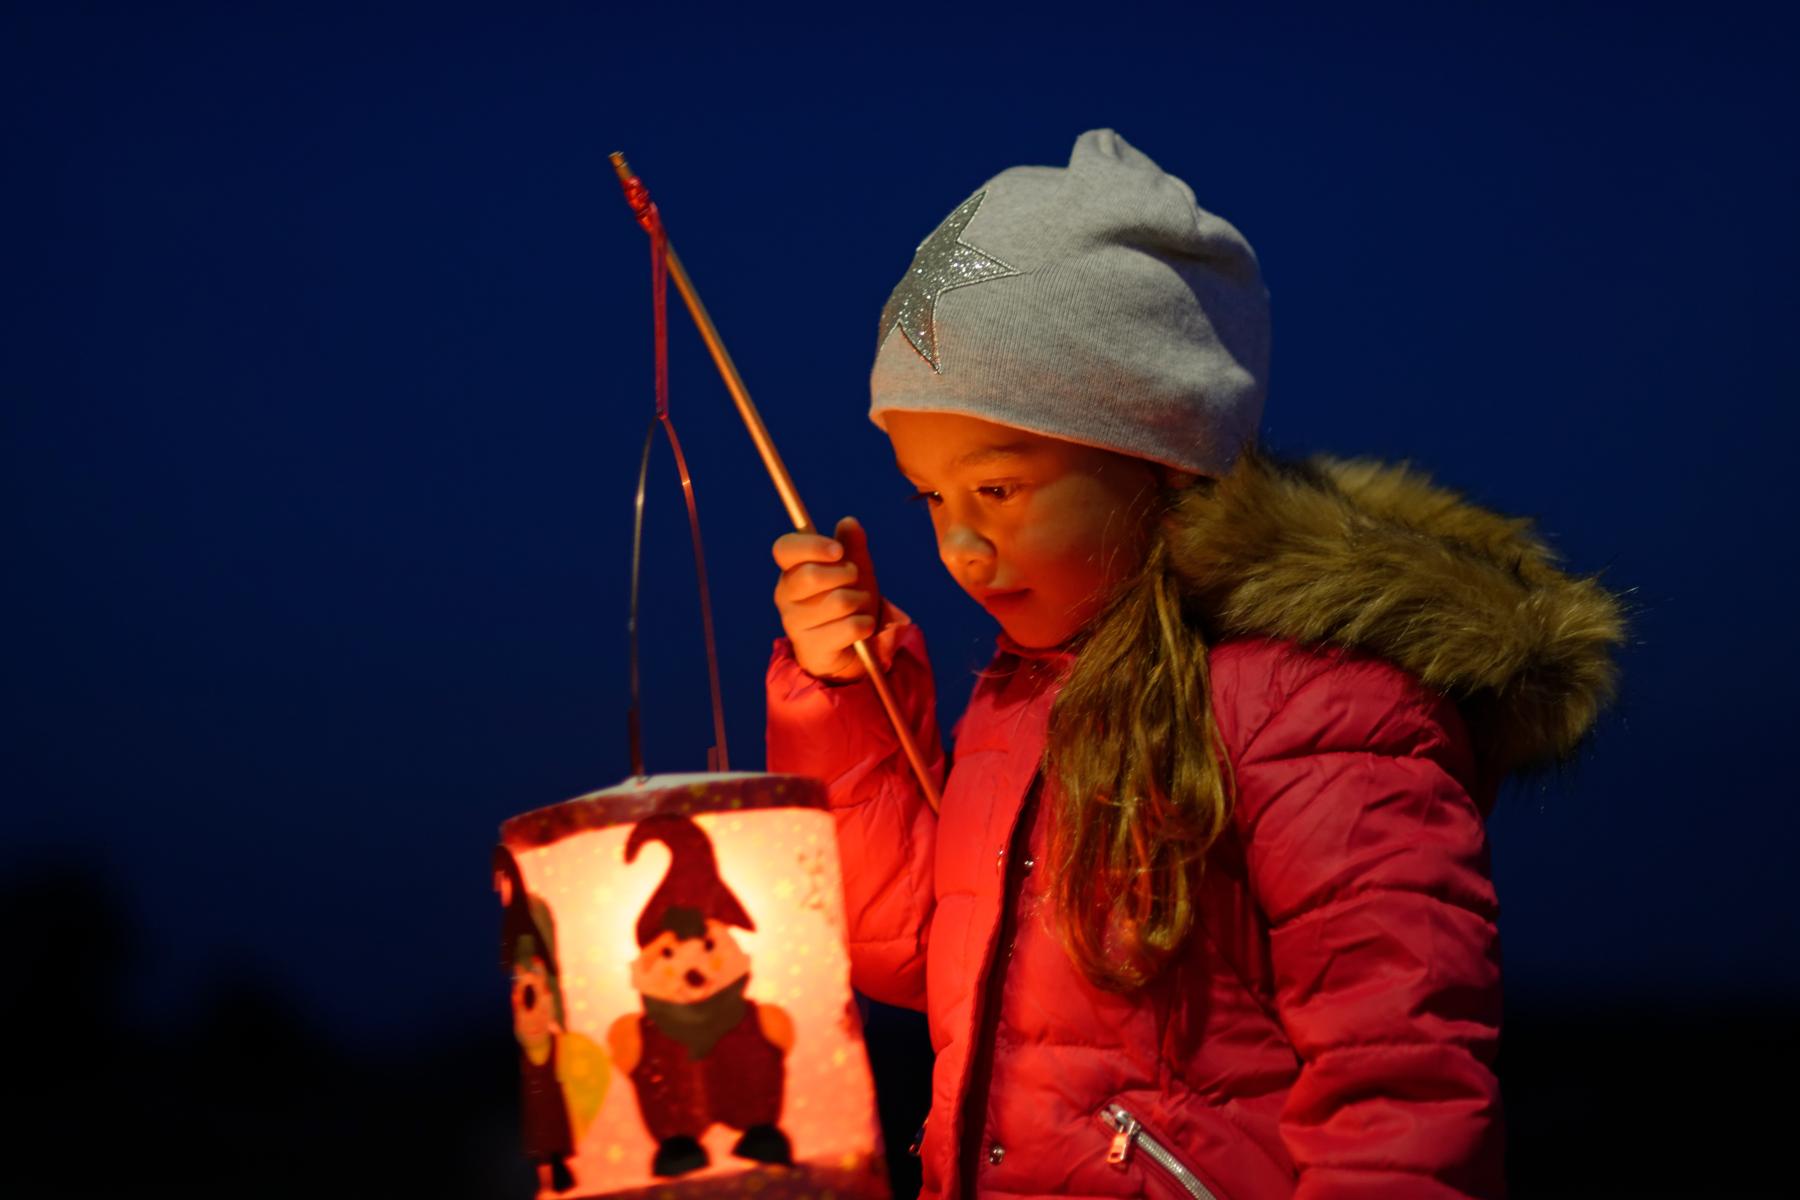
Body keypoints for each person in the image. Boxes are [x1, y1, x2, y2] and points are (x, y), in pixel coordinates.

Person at [766, 129, 1625, 1200]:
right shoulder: (1024, 697)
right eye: (929, 498)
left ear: (1155, 457)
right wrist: (847, 698)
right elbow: (911, 949)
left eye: (995, 489)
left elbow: (1399, 1071)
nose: (957, 548)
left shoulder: (1317, 701)